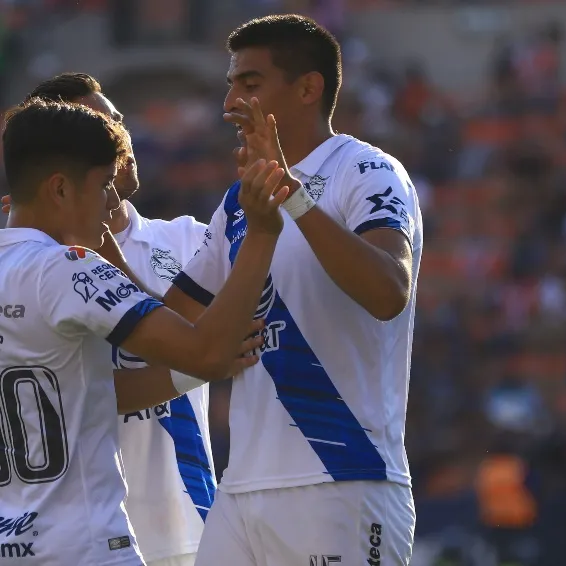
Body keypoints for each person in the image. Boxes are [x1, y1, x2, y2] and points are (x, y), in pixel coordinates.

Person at [0, 97, 290, 565]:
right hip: (77, 548)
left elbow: (91, 392)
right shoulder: (67, 268)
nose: (111, 204)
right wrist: (263, 231)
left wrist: (199, 368)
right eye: (104, 185)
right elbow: (204, 350)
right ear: (59, 189)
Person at [161, 15, 424, 565]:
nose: (231, 102)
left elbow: (388, 290)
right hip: (241, 489)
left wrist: (294, 197)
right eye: (230, 84)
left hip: (342, 479)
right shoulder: (238, 201)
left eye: (249, 84)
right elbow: (170, 322)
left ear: (309, 88)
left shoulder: (367, 169)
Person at [0, 73, 217, 566]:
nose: (121, 136)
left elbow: (220, 345)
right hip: (79, 539)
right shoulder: (30, 267)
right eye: (102, 125)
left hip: (191, 526)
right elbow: (57, 395)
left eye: (118, 119)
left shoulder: (189, 240)